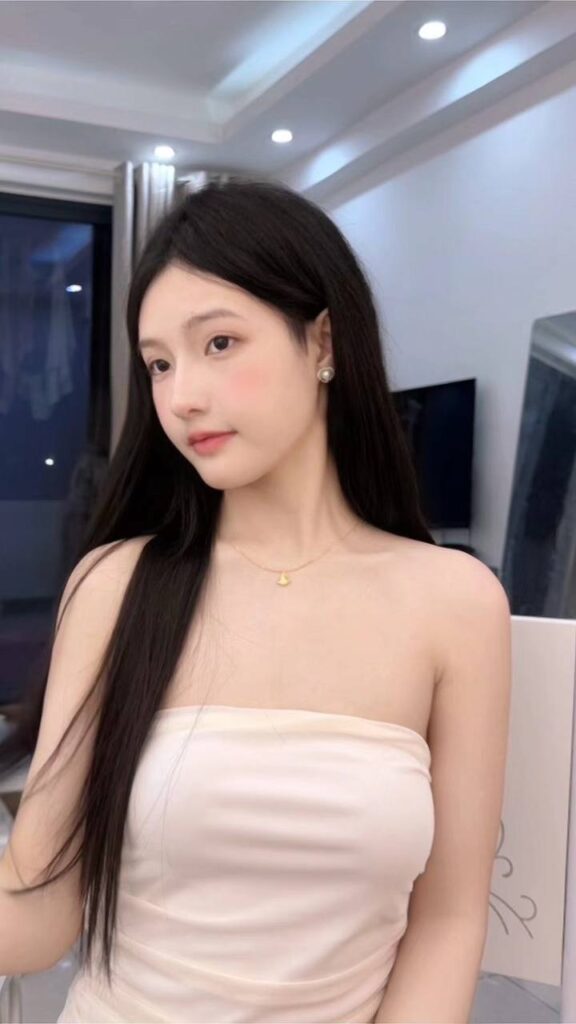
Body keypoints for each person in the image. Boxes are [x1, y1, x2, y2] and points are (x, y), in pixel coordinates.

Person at [0, 178, 511, 1023]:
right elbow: (41, 903)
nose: (181, 396)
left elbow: (449, 920)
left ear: (323, 342)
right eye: (159, 363)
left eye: (219, 343)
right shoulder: (118, 584)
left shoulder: (455, 603)